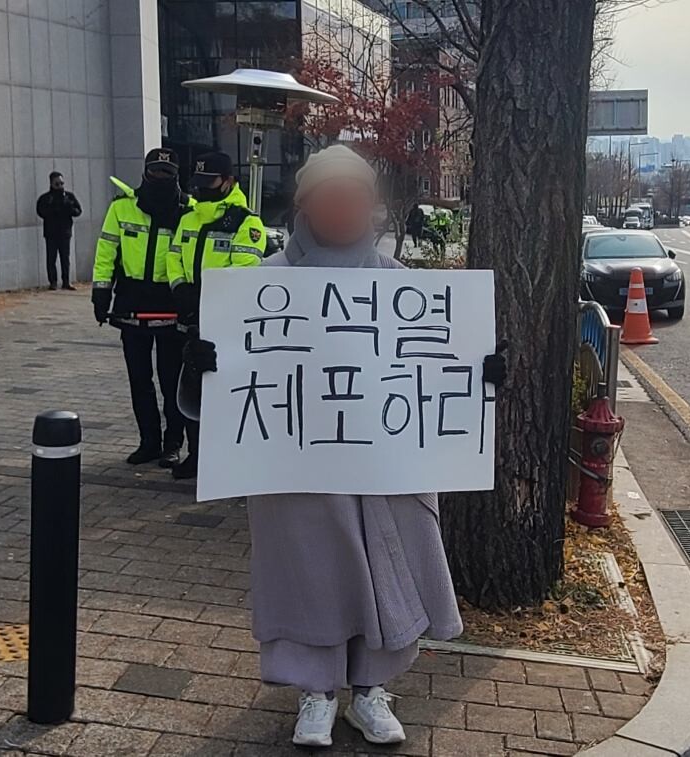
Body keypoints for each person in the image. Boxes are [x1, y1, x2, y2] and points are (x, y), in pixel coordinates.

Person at [181, 145, 507, 748]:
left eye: (354, 195)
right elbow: (217, 409)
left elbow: (438, 377)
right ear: (304, 205)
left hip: (388, 471)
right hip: (296, 474)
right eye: (330, 195)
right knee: (312, 576)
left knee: (387, 573)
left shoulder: (404, 290)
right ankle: (315, 692)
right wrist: (204, 370)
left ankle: (370, 692)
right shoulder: (259, 289)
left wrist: (478, 375)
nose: (343, 207)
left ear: (372, 206)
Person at [166, 151, 267, 480]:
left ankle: (224, 459)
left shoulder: (246, 222)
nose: (203, 189)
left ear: (229, 182)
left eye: (210, 183)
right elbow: (174, 256)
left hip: (225, 324)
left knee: (225, 394)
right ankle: (196, 455)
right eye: (199, 183)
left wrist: (211, 299)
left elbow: (244, 272)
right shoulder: (188, 218)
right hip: (190, 317)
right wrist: (180, 287)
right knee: (189, 388)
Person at [92, 150, 193, 466]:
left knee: (170, 378)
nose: (160, 179)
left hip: (170, 302)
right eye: (155, 172)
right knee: (139, 378)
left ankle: (172, 443)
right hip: (131, 300)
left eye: (166, 173)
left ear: (176, 175)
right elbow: (106, 251)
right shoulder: (122, 208)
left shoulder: (188, 211)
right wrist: (100, 293)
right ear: (145, 173)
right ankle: (148, 440)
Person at [36, 171, 83, 290]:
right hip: (51, 233)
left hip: (65, 232)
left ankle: (66, 281)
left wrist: (67, 205)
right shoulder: (46, 198)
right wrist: (52, 207)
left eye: (62, 183)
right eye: (57, 184)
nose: (60, 186)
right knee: (51, 258)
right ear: (51, 184)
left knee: (65, 258)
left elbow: (78, 211)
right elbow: (41, 212)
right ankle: (53, 282)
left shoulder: (68, 196)